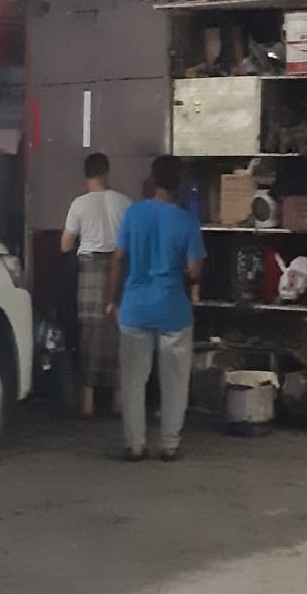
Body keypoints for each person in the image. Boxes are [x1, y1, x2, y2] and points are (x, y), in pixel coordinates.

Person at [106, 155, 204, 463]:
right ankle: (169, 445)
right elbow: (195, 272)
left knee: (133, 381)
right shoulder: (187, 221)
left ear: (153, 179)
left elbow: (118, 258)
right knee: (174, 382)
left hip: (134, 308)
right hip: (173, 309)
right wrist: (179, 276)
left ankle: (135, 445)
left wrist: (112, 299)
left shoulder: (134, 213)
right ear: (180, 183)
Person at [60, 153, 131, 417]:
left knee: (89, 333)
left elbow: (65, 245)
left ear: (86, 174)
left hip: (89, 268)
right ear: (106, 172)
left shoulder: (79, 204)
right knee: (117, 332)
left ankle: (88, 404)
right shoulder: (124, 202)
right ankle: (117, 402)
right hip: (118, 267)